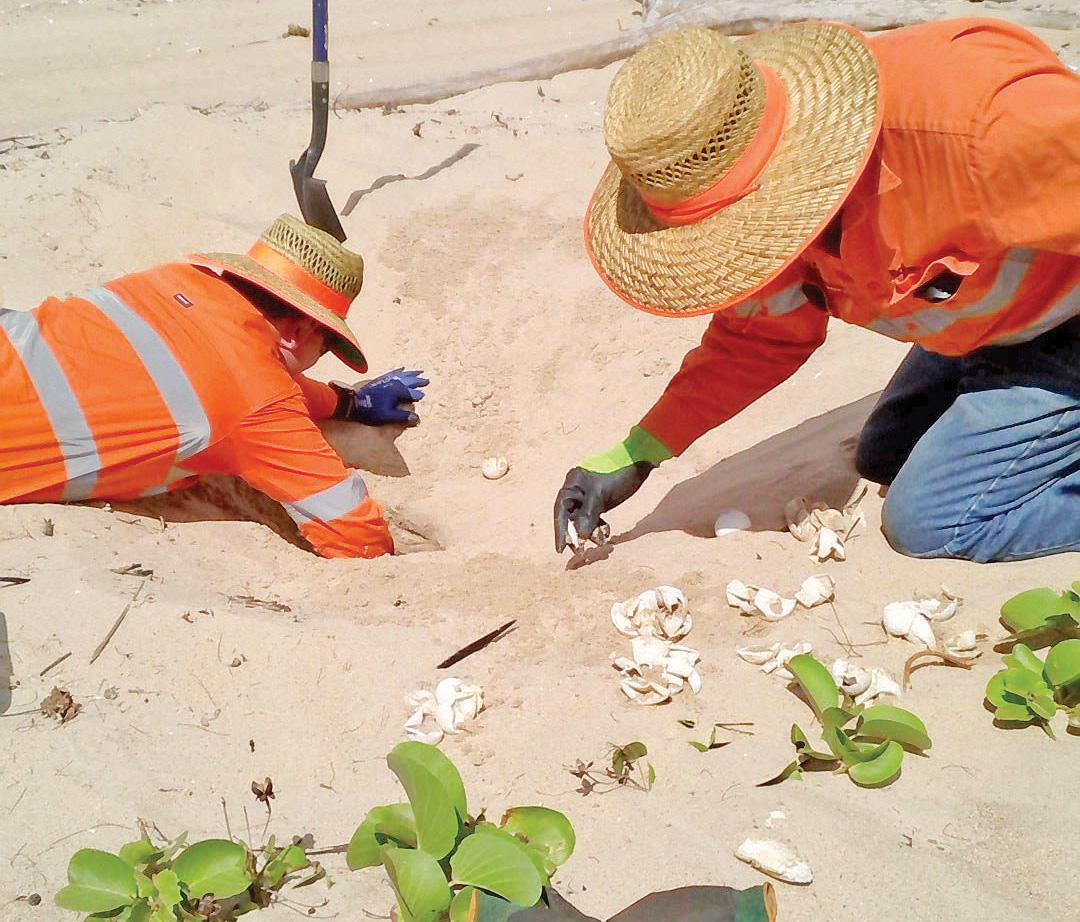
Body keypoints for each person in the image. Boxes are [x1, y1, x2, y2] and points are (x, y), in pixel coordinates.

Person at [554, 17, 1080, 564]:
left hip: (1067, 323)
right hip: (986, 329)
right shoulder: (756, 210)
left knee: (929, 521)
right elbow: (759, 337)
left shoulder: (981, 128)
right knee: (883, 455)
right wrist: (637, 453)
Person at [0, 213, 428, 558]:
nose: (322, 356)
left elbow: (227, 372)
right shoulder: (258, 402)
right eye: (329, 344)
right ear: (300, 332)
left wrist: (348, 403)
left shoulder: (172, 278)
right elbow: (357, 535)